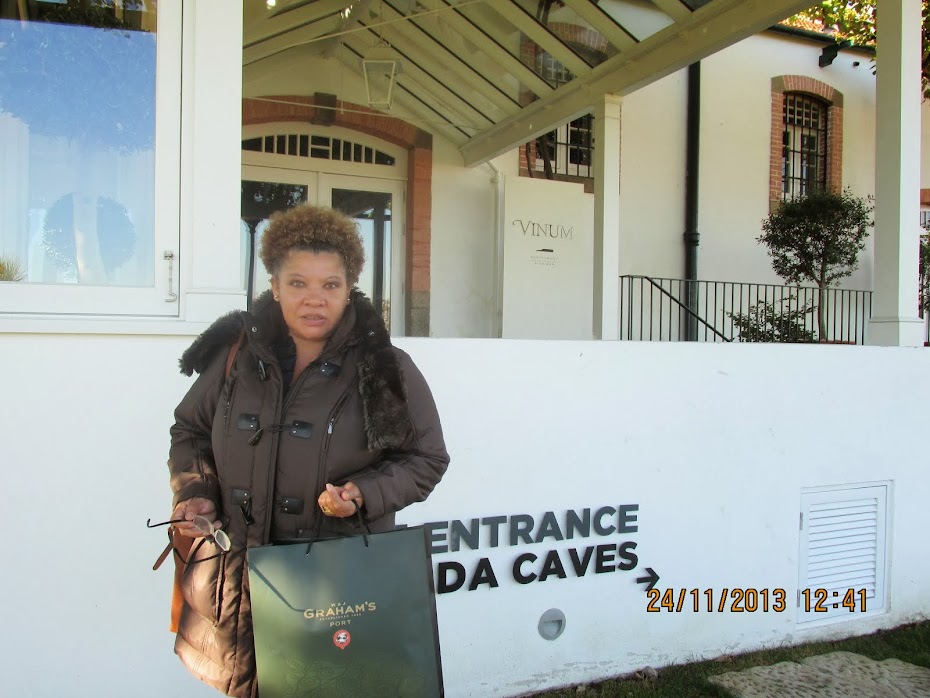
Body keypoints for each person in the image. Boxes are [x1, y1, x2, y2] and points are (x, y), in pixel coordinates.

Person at [162, 204, 450, 697]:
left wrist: (362, 492)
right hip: (236, 586)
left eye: (330, 285)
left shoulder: (383, 366)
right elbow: (189, 430)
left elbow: (426, 459)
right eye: (298, 283)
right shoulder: (235, 357)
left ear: (349, 288)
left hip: (332, 592)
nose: (314, 299)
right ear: (274, 286)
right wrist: (197, 490)